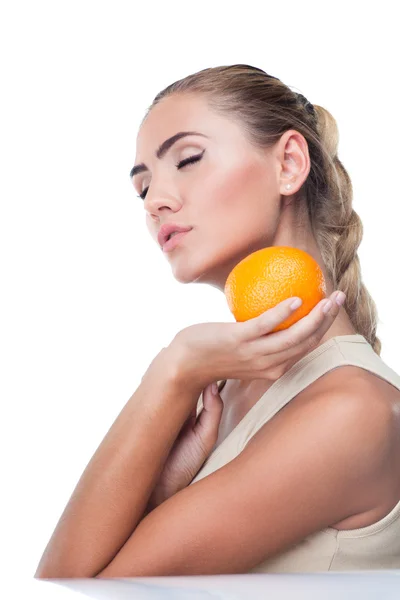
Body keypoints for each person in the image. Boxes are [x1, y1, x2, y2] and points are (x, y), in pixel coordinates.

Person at [34, 64, 400, 578]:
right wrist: (163, 489)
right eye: (143, 190)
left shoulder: (349, 410)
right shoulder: (226, 388)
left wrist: (175, 366)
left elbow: (68, 591)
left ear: (289, 164)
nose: (156, 201)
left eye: (188, 159)